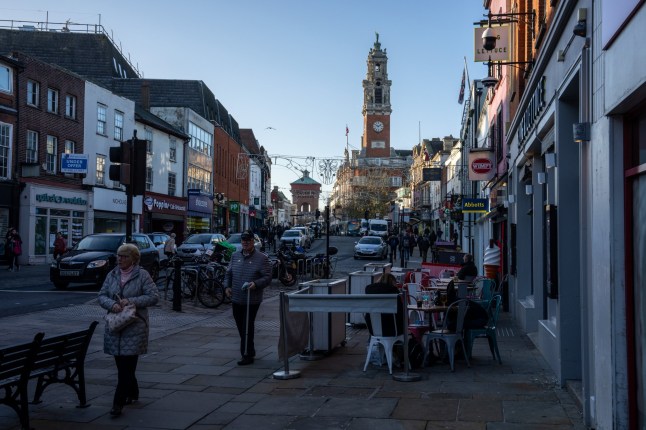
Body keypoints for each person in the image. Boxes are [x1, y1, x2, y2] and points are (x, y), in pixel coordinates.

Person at [97, 243, 159, 417]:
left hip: (135, 327)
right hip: (116, 326)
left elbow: (154, 297)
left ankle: (118, 403)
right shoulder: (112, 274)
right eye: (119, 256)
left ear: (133, 258)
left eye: (124, 256)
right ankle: (133, 392)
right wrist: (112, 304)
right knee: (122, 366)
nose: (120, 259)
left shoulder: (142, 275)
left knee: (126, 367)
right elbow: (101, 295)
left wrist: (130, 301)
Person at [224, 229, 272, 366]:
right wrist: (227, 287)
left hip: (252, 299)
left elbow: (268, 277)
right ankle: (250, 350)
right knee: (240, 326)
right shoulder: (235, 256)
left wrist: (255, 284)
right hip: (236, 298)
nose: (245, 242)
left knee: (247, 326)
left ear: (253, 242)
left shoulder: (262, 258)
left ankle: (246, 354)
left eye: (248, 240)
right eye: (243, 240)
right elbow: (229, 273)